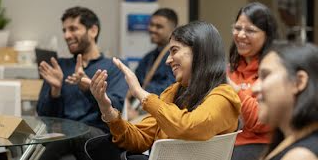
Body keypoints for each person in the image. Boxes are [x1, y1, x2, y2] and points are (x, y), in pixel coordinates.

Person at [86, 21, 241, 160]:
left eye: (174, 50)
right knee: (100, 145)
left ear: (199, 52)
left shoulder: (224, 96)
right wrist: (107, 110)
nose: (168, 60)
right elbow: (139, 139)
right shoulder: (172, 92)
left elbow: (187, 127)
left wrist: (140, 93)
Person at [36, 6, 128, 160]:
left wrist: (90, 90)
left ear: (93, 30)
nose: (66, 35)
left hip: (98, 138)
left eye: (73, 29)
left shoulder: (114, 66)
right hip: (63, 140)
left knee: (74, 132)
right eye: (64, 30)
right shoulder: (60, 67)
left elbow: (116, 109)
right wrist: (55, 91)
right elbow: (45, 117)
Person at [226, 2, 278, 160]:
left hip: (257, 146)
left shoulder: (275, 69)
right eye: (237, 28)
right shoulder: (229, 69)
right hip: (223, 143)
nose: (241, 35)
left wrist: (232, 88)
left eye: (250, 30)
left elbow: (262, 120)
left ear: (267, 35)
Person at [254, 42, 318, 160]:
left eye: (265, 76)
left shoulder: (301, 156)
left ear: (298, 82)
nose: (254, 88)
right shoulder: (286, 139)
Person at [126, 8, 177, 120]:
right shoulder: (148, 57)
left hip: (159, 113)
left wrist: (138, 113)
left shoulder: (176, 58)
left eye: (159, 27)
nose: (152, 29)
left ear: (173, 30)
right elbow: (136, 80)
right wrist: (127, 99)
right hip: (140, 108)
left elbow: (170, 89)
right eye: (151, 25)